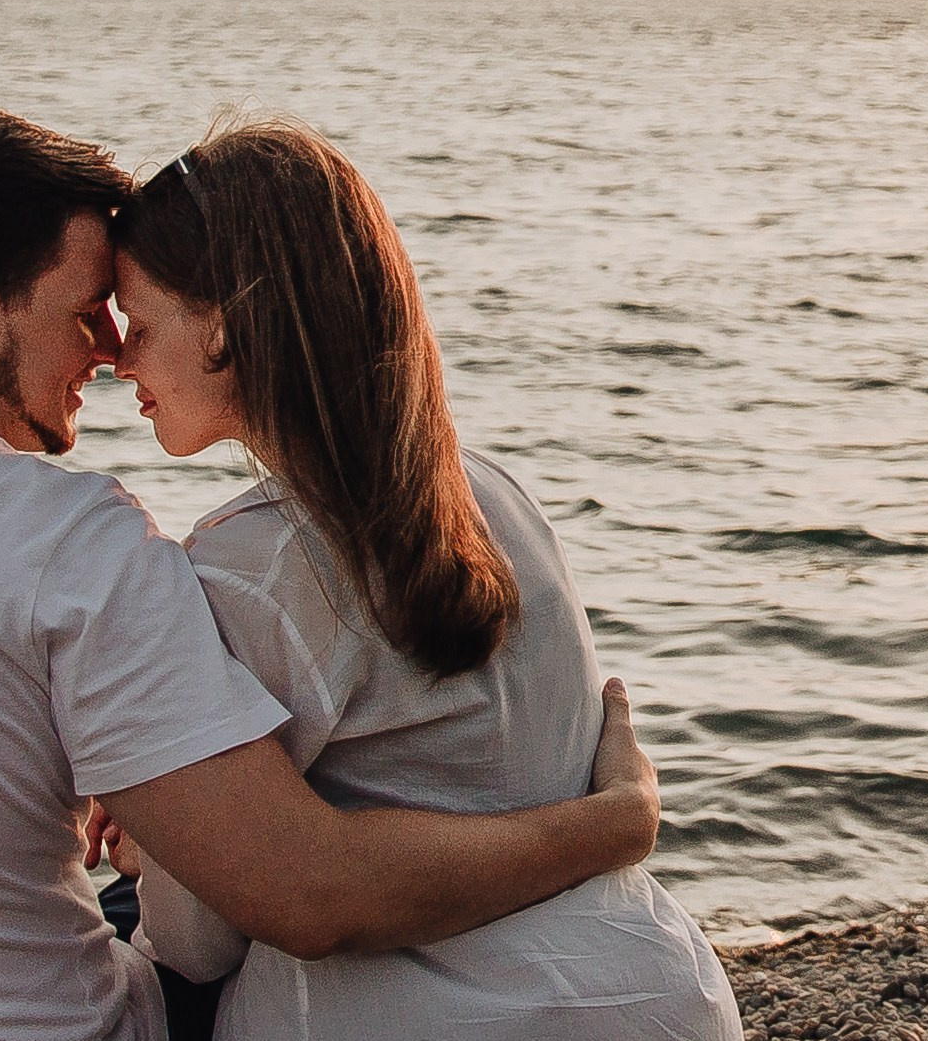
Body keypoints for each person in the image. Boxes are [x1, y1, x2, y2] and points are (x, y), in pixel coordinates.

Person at [0, 102, 664, 1041]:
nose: (106, 352)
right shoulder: (73, 534)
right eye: (85, 310)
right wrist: (610, 822)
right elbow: (305, 893)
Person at [104, 121, 741, 1041]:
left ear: (227, 329)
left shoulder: (246, 572)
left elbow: (202, 943)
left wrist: (159, 843)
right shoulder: (495, 492)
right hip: (659, 995)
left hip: (426, 1020)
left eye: (141, 323)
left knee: (119, 946)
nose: (121, 359)